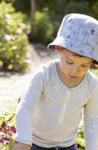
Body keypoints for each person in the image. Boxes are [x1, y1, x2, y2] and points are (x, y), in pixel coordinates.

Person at [14, 13, 98, 150]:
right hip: (35, 143)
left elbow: (93, 120)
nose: (75, 70)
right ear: (58, 49)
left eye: (84, 65)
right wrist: (23, 140)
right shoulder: (44, 75)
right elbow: (25, 107)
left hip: (67, 146)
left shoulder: (92, 85)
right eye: (69, 62)